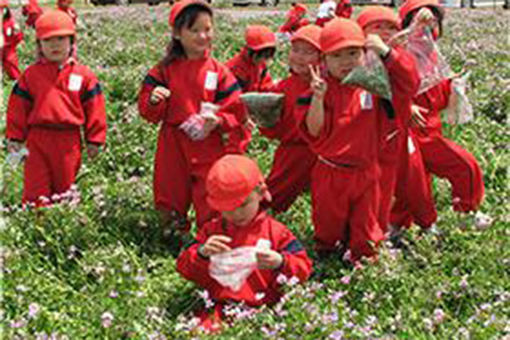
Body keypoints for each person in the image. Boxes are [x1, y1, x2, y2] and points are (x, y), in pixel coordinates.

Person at [295, 18, 419, 262]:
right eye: (336, 56)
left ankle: (363, 258)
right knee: (328, 226)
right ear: (324, 60)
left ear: (364, 53)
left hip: (366, 172)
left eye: (353, 53)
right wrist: (318, 99)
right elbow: (314, 130)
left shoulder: (374, 85)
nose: (346, 62)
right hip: (331, 172)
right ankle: (327, 254)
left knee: (367, 228)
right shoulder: (318, 89)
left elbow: (409, 83)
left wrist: (386, 53)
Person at [138, 0, 248, 249]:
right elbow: (147, 108)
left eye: (208, 29)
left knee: (209, 190)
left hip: (207, 141)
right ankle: (171, 239)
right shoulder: (164, 70)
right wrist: (155, 100)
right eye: (194, 30)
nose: (203, 36)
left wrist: (219, 120)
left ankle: (209, 240)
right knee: (169, 187)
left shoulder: (219, 72)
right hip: (172, 139)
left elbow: (237, 108)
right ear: (177, 34)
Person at [177, 154, 312, 332]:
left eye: (244, 205)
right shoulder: (211, 232)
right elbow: (184, 267)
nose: (236, 214)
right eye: (228, 208)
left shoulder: (277, 233)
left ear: (260, 193)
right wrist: (202, 253)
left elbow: (304, 269)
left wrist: (281, 262)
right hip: (220, 309)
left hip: (266, 311)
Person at [389, 0, 484, 235]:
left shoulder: (433, 58)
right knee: (413, 184)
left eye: (434, 25)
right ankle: (400, 225)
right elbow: (384, 89)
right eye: (421, 24)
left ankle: (465, 213)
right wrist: (406, 106)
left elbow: (438, 100)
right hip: (408, 134)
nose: (427, 31)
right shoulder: (399, 55)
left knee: (460, 167)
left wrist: (454, 88)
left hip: (430, 132)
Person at [5, 10, 107, 206]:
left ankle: (62, 226)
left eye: (61, 39)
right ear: (39, 45)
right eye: (48, 40)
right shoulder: (30, 76)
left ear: (72, 42)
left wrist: (95, 138)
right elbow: (18, 107)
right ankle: (38, 226)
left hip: (69, 141)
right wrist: (15, 136)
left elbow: (95, 107)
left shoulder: (84, 75)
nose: (55, 45)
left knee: (65, 188)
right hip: (38, 139)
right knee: (36, 187)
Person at [356, 6, 420, 233]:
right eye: (377, 26)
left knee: (387, 185)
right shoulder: (355, 57)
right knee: (362, 186)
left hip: (392, 134)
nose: (384, 31)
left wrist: (387, 53)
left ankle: (379, 231)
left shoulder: (400, 56)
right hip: (360, 135)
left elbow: (411, 82)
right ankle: (356, 232)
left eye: (391, 27)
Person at [259, 25, 321, 214]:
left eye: (308, 52)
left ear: (323, 57)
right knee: (275, 194)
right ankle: (256, 223)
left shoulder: (330, 86)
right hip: (294, 151)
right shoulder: (281, 89)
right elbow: (271, 128)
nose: (299, 57)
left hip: (325, 152)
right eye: (295, 50)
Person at [226, 25, 275, 93]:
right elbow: (232, 96)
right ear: (251, 52)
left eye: (267, 56)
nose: (264, 60)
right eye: (263, 56)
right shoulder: (235, 69)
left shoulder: (261, 66)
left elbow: (267, 86)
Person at [2, 5, 24, 80]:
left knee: (10, 62)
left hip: (8, 47)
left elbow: (18, 36)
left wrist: (18, 37)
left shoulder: (10, 23)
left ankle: (17, 80)